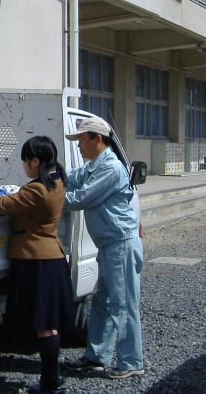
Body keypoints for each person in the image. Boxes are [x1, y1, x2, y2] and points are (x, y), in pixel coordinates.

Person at [0, 136, 74, 394]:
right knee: (50, 324)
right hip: (52, 258)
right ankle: (51, 378)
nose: (23, 165)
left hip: (36, 261)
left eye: (24, 160)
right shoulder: (57, 181)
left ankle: (50, 382)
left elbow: (3, 204)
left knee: (43, 324)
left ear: (35, 160)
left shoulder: (37, 190)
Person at [62, 116, 144, 379]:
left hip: (120, 245)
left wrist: (43, 199)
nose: (78, 146)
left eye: (81, 140)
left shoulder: (110, 168)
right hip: (110, 246)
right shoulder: (95, 166)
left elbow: (80, 198)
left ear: (97, 139)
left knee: (123, 304)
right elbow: (73, 177)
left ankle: (131, 363)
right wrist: (49, 175)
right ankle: (95, 357)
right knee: (103, 302)